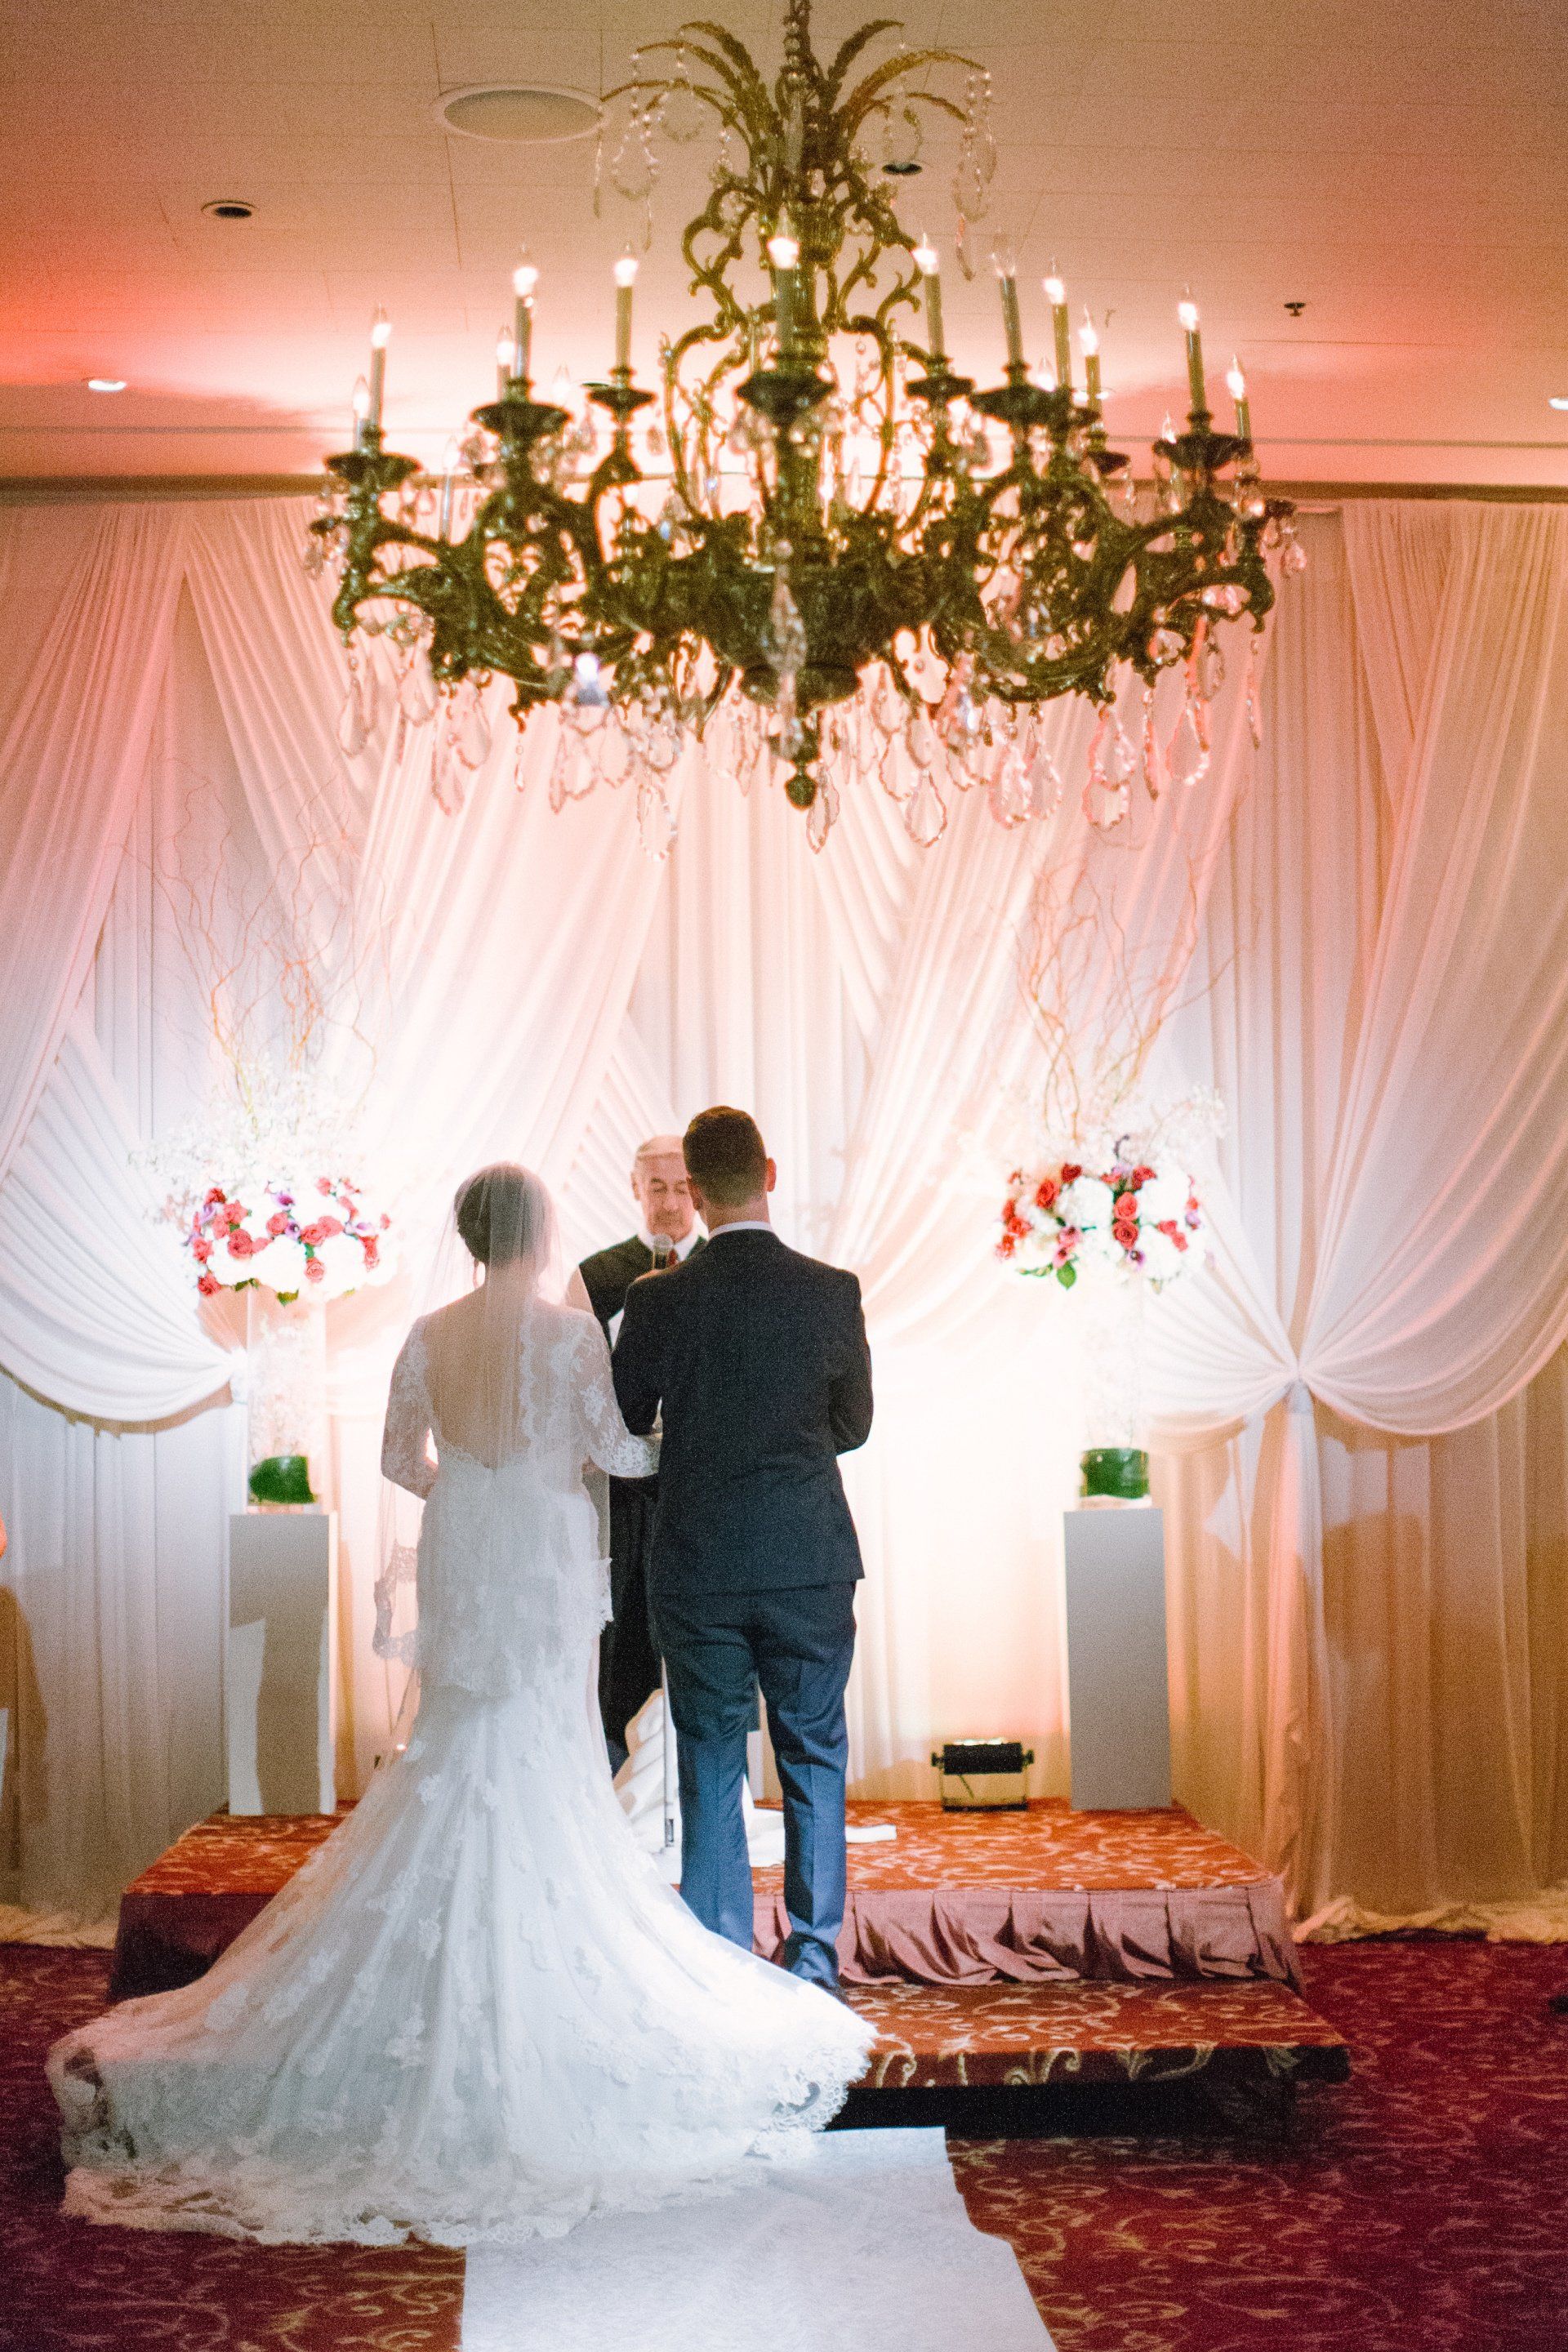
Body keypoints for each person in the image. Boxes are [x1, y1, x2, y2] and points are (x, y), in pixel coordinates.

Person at [47, 1163, 871, 2246]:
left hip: (473, 1544)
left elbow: (398, 1459)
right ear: (535, 1239)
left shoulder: (429, 1335)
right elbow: (620, 1451)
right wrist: (674, 1453)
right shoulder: (576, 1337)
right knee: (543, 1743)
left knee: (455, 1738)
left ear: (469, 1238)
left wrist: (472, 1496)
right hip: (539, 1551)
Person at [613, 1109, 874, 1992]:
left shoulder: (656, 1300)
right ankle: (812, 1957)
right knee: (813, 1753)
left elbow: (625, 1419)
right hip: (806, 1557)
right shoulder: (831, 1289)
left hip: (699, 1563)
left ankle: (722, 1959)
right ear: (771, 1171)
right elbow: (854, 1425)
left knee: (712, 1759)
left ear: (691, 1187)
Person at [568, 1136, 703, 1769]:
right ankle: (619, 1773)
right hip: (620, 1497)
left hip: (703, 1486)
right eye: (658, 1189)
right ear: (634, 1190)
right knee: (624, 1631)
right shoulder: (596, 1276)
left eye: (682, 1188)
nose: (672, 1204)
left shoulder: (719, 1267)